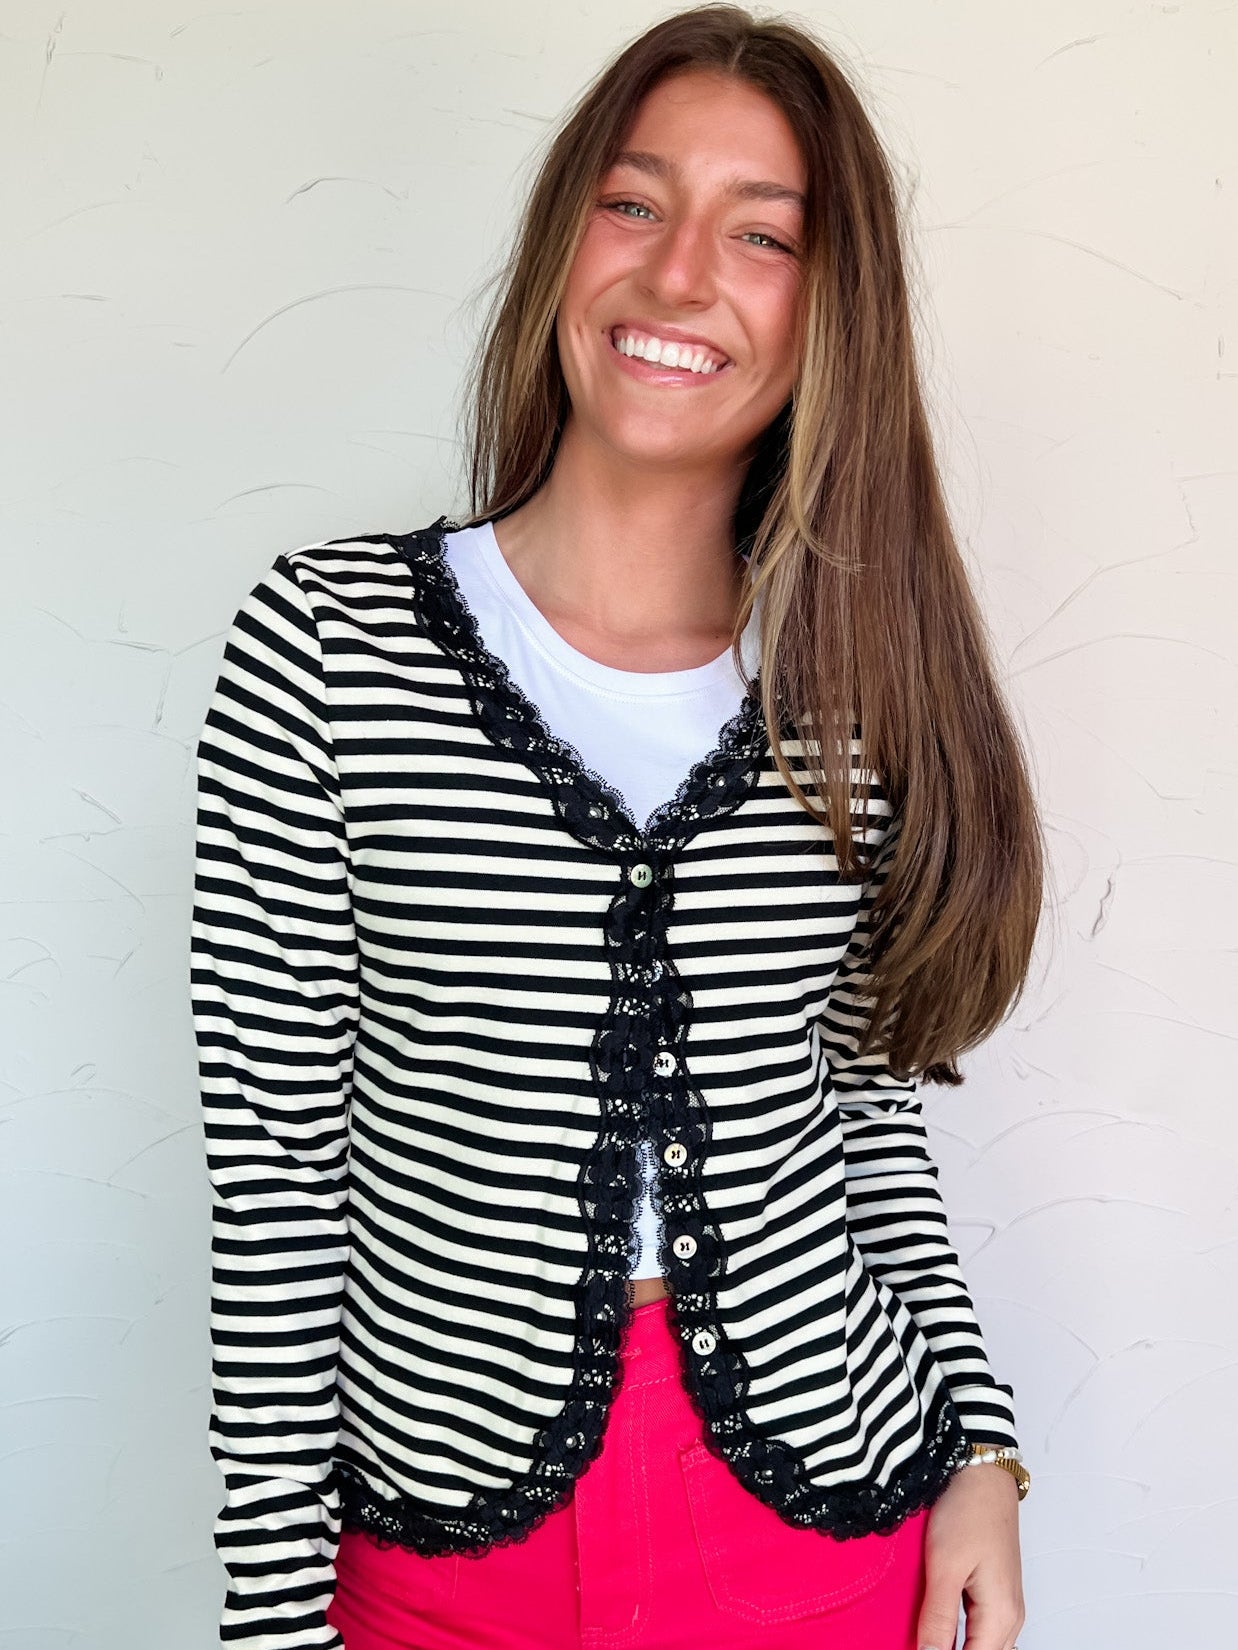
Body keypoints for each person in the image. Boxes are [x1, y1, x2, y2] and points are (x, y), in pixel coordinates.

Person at [190, 7, 1043, 1648]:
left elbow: (862, 1123)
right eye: (633, 202)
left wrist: (981, 1449)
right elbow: (279, 1188)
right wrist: (272, 1622)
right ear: (560, 240)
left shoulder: (856, 692)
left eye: (762, 234)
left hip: (824, 1515)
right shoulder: (326, 644)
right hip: (448, 1541)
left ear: (828, 309)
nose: (676, 278)